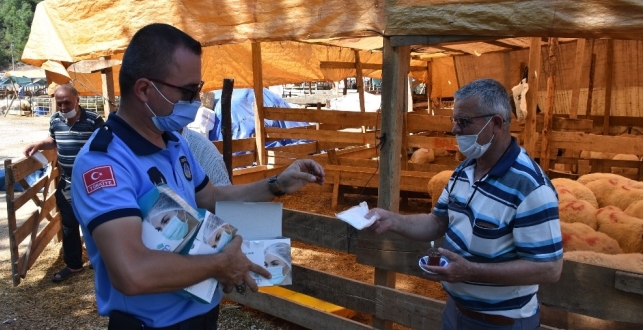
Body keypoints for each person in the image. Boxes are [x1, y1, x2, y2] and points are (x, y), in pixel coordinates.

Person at [71, 23, 325, 330]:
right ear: (144, 90)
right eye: (188, 91)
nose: (195, 101)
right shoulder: (104, 163)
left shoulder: (174, 143)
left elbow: (211, 198)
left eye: (198, 89)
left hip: (202, 313)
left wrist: (276, 185)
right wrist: (220, 264)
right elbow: (132, 273)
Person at [367, 78, 563, 330]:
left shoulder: (530, 187)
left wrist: (471, 271)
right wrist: (392, 220)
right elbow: (436, 221)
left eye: (464, 121)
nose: (455, 129)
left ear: (496, 124)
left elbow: (549, 268)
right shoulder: (465, 170)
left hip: (501, 323)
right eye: (454, 120)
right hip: (457, 312)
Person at [23, 83, 104, 282]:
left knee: (96, 220)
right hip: (67, 182)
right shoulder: (55, 120)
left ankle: (99, 259)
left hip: (91, 183)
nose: (63, 107)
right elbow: (54, 140)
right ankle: (74, 264)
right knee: (69, 224)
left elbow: (105, 145)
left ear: (78, 100)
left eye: (67, 102)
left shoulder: (93, 120)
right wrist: (38, 144)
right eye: (59, 103)